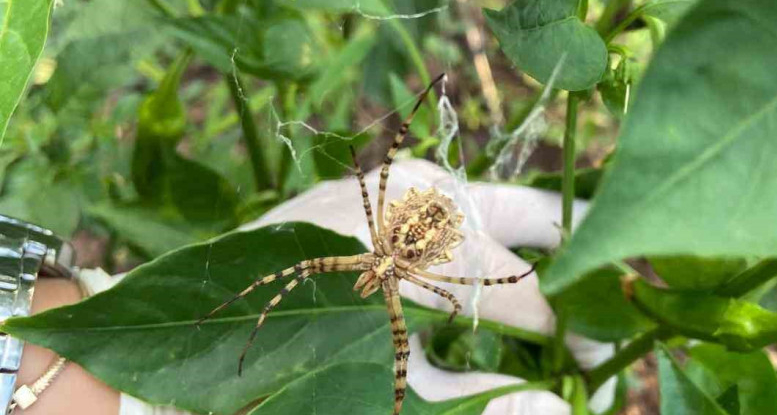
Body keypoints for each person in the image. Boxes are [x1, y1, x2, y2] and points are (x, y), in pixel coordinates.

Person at [18, 160, 613, 414]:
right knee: (294, 272)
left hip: (400, 261)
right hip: (382, 263)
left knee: (400, 354)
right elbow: (299, 262)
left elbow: (454, 282)